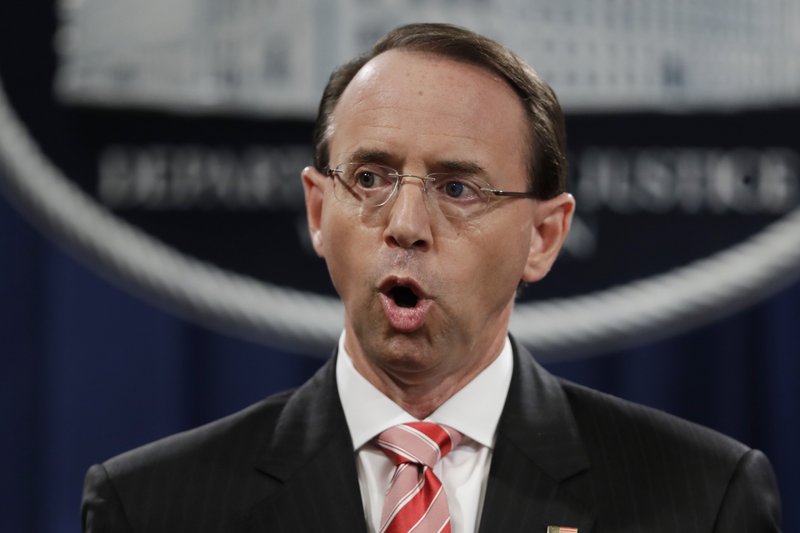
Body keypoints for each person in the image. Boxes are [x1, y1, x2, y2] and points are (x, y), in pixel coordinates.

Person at [81, 23, 782, 532]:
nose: (406, 222)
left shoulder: (701, 498)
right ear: (318, 210)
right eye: (371, 178)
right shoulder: (152, 507)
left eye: (457, 188)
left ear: (544, 237)